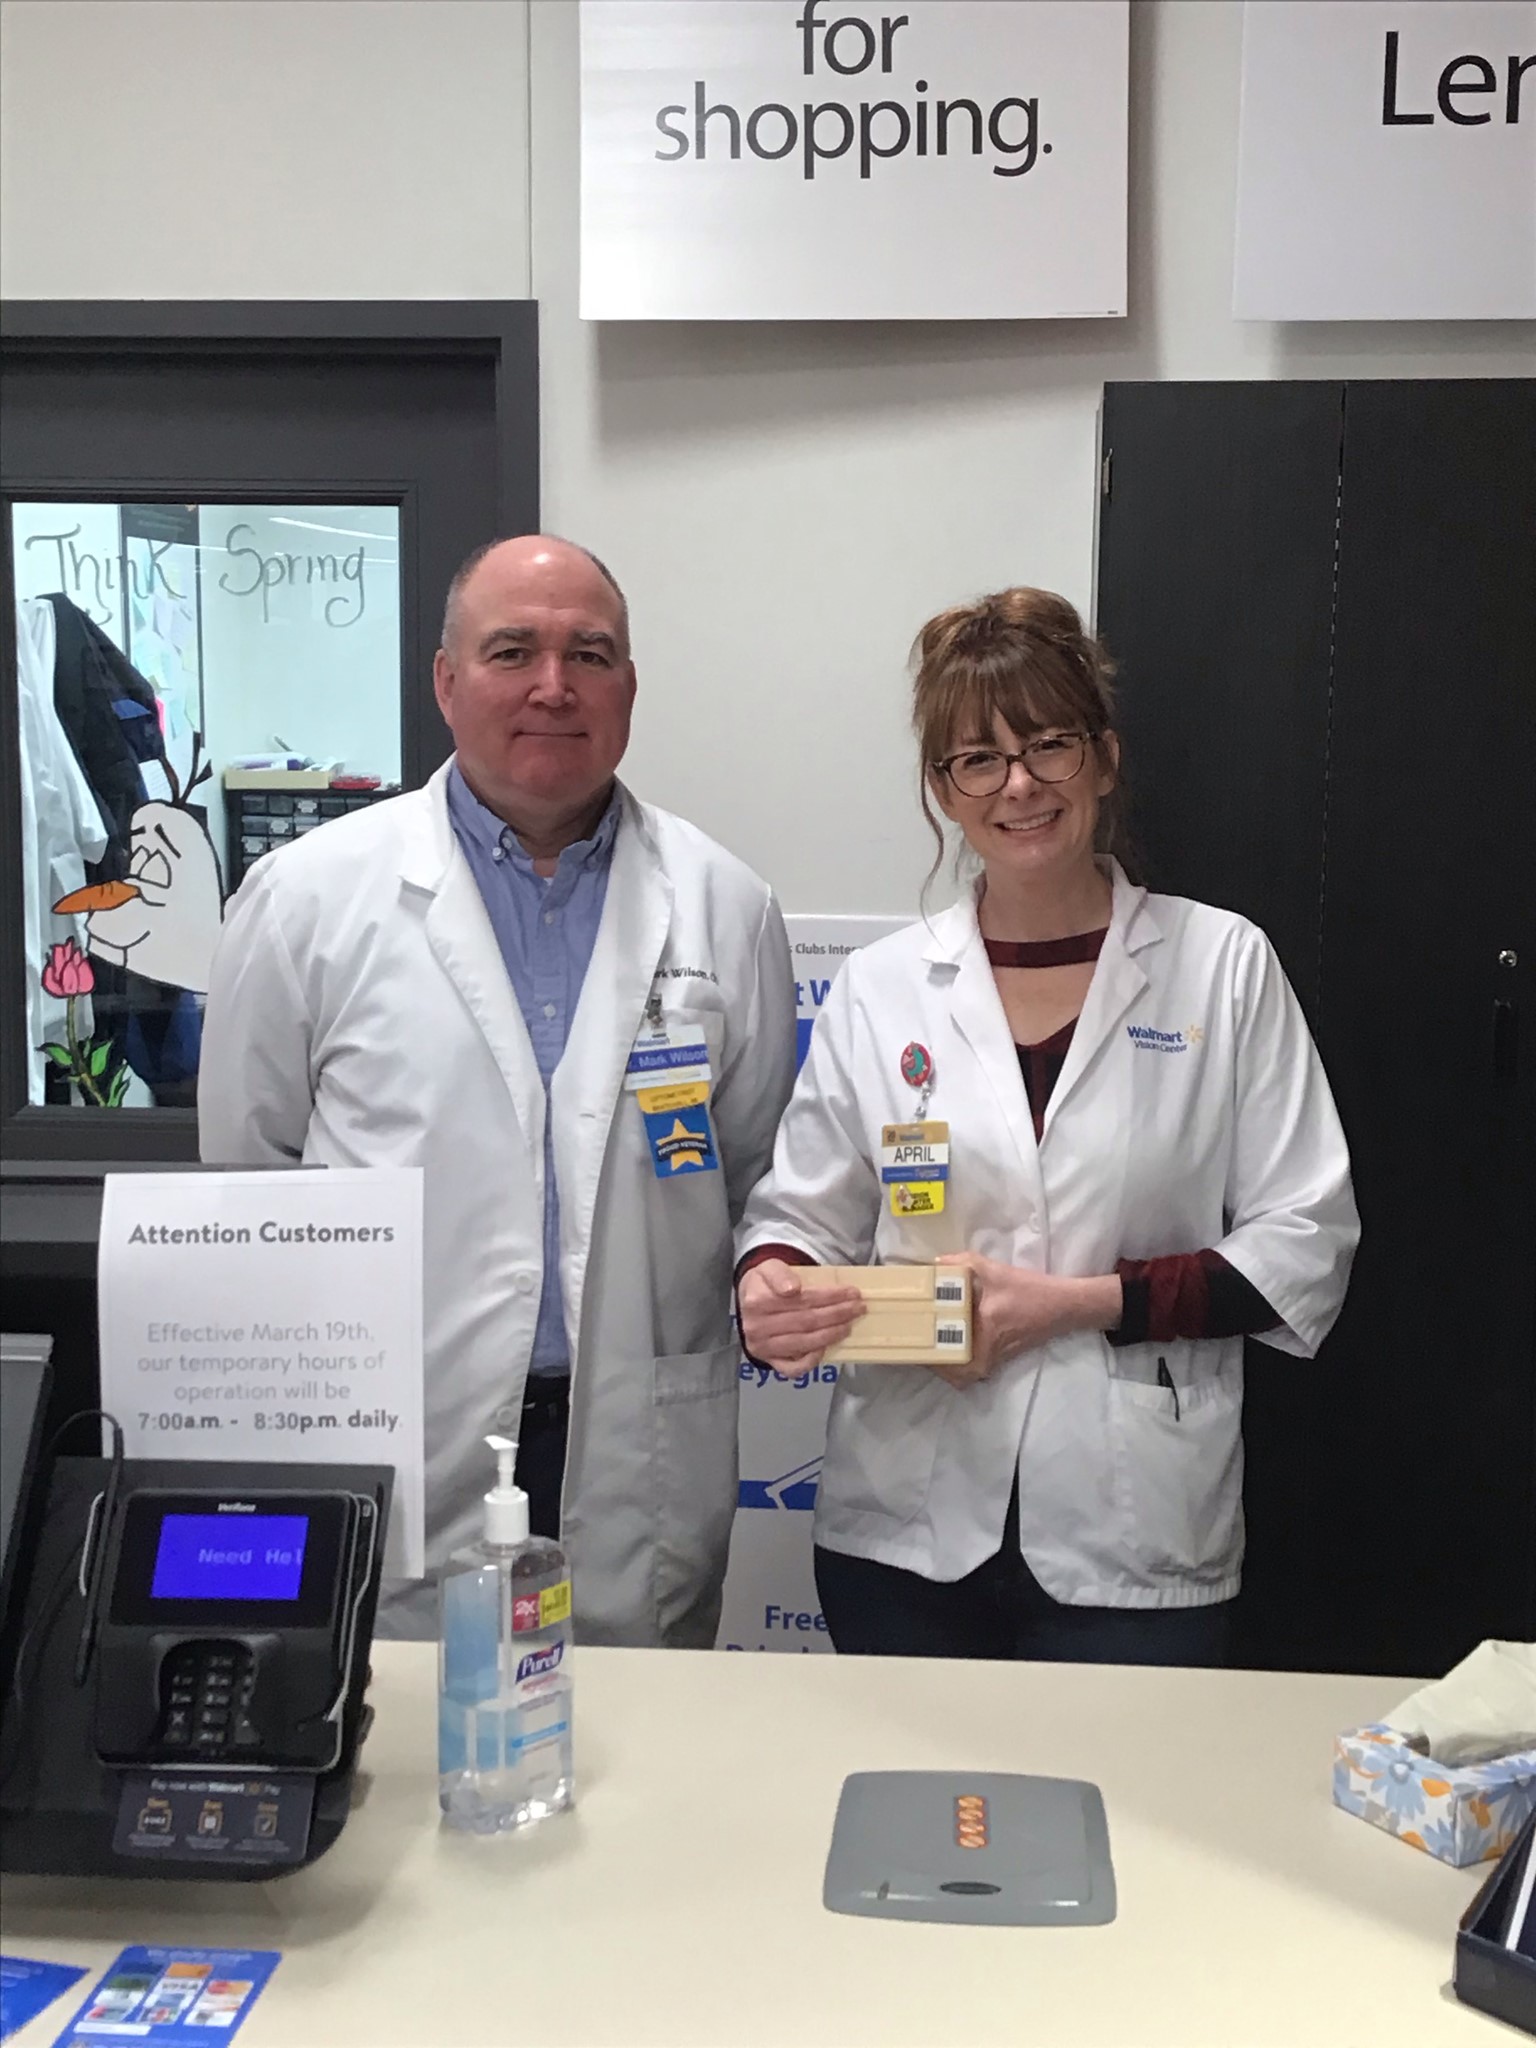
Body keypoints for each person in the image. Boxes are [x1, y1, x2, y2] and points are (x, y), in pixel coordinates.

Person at [737, 587, 1358, 1664]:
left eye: (1048, 744)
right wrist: (773, 1284)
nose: (1018, 784)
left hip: (1133, 1535)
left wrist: (1074, 1305)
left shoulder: (1222, 964)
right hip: (901, 1533)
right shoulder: (883, 988)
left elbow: (1305, 1245)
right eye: (977, 758)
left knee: (1120, 1778)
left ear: (1103, 759)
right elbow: (800, 1214)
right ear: (943, 790)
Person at [199, 535, 795, 1642]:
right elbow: (249, 1178)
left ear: (629, 686)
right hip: (405, 1430)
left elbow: (755, 1168)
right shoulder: (305, 898)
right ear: (446, 681)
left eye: (590, 654)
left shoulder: (727, 903)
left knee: (641, 1730)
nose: (553, 686)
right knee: (405, 1728)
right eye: (512, 650)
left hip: (637, 1435)